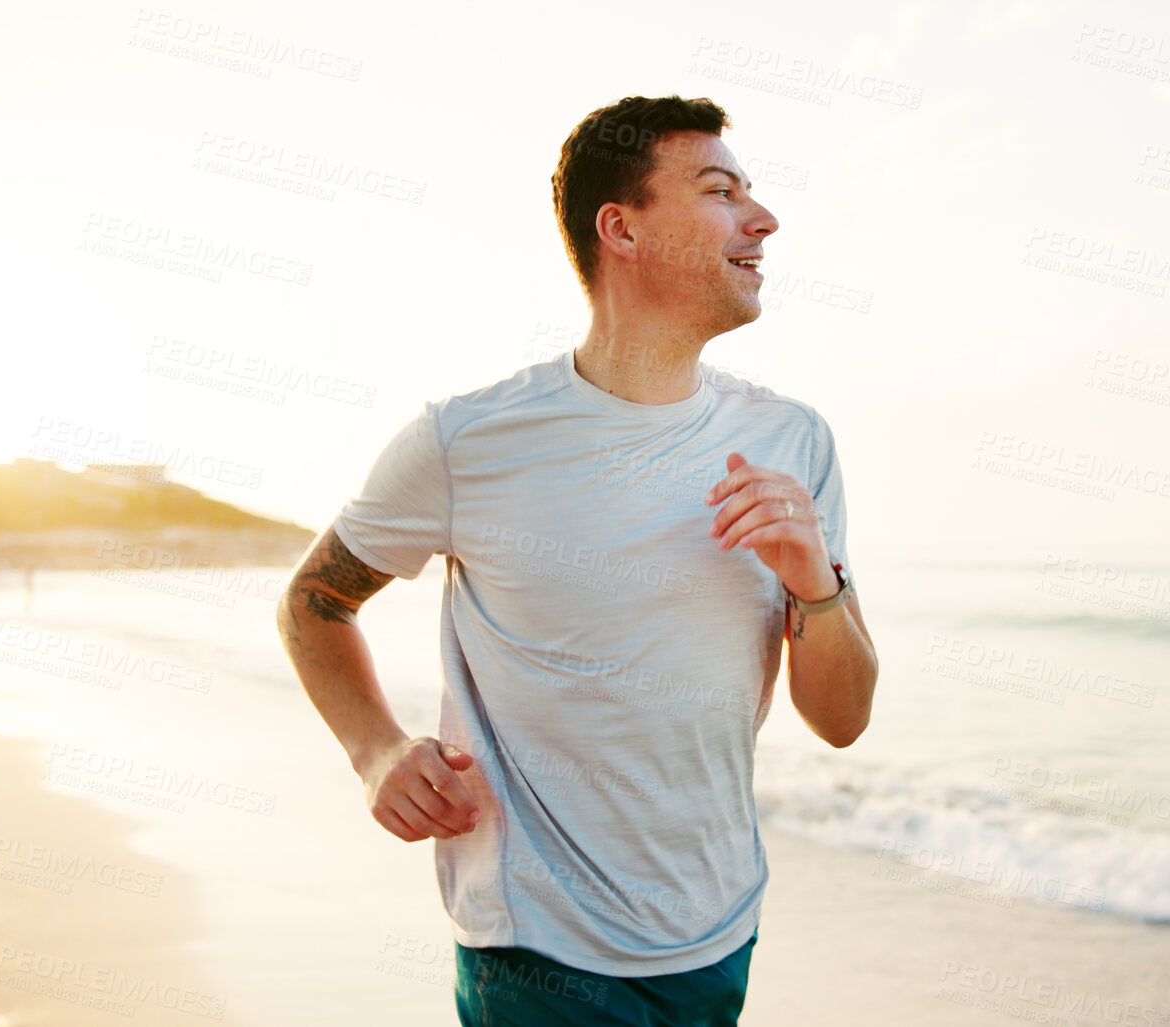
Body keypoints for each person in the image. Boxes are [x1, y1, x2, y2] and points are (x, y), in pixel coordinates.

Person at [276, 94, 877, 1026]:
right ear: (620, 227)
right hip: (535, 941)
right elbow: (314, 600)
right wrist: (375, 749)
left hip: (717, 927)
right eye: (721, 191)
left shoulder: (792, 439)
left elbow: (839, 719)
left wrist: (815, 583)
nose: (762, 219)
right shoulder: (466, 439)